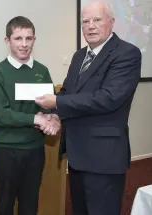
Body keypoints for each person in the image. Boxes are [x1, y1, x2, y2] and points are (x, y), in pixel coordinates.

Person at [35, 1, 142, 215]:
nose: (90, 26)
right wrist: (54, 116)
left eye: (97, 20)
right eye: (85, 22)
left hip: (104, 158)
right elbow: (67, 92)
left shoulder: (127, 54)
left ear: (111, 22)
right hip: (77, 155)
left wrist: (57, 102)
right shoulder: (79, 56)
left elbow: (108, 98)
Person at [0, 16, 60, 215]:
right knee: (5, 203)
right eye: (18, 38)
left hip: (35, 149)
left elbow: (49, 105)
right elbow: (0, 114)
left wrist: (53, 119)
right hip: (7, 152)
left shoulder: (42, 71)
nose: (24, 44)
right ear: (7, 41)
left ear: (34, 40)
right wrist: (35, 119)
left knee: (30, 203)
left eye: (29, 39)